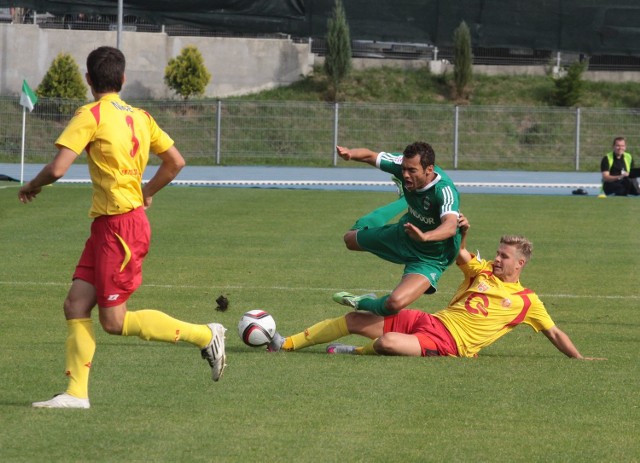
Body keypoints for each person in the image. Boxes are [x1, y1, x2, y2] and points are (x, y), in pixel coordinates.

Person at [19, 46, 226, 409]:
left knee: (114, 322)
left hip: (120, 229)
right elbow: (175, 162)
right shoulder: (141, 116)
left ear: (88, 80)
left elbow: (57, 168)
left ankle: (205, 334)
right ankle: (75, 394)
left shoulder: (91, 114)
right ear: (123, 78)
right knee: (75, 304)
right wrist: (146, 192)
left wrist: (32, 185)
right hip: (108, 226)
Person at [267, 215, 605, 361]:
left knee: (386, 343)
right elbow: (458, 253)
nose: (498, 259)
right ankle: (285, 345)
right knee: (355, 318)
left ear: (521, 264)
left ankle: (354, 353)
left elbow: (555, 333)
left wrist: (579, 357)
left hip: (449, 344)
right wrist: (459, 229)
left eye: (505, 256)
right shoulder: (482, 272)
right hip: (431, 321)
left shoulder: (527, 301)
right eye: (498, 253)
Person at [332, 142, 461, 317]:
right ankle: (402, 199)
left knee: (394, 303)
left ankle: (360, 301)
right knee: (349, 240)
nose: (405, 174)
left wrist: (425, 236)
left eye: (412, 171)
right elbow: (370, 155)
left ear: (429, 169)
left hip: (430, 257)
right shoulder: (401, 165)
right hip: (404, 234)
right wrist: (350, 154)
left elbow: (450, 226)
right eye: (404, 170)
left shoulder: (444, 190)